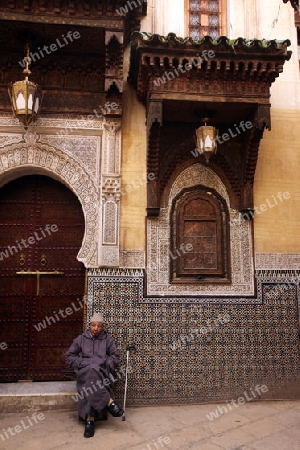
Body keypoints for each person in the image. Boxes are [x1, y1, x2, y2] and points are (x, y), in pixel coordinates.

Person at [65, 312, 124, 438]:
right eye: (93, 325)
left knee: (93, 375)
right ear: (89, 325)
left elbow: (115, 356)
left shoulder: (107, 339)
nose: (96, 328)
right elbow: (69, 357)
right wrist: (83, 363)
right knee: (91, 373)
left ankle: (90, 420)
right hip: (85, 372)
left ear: (102, 327)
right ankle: (109, 403)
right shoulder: (81, 339)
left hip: (102, 372)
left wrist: (107, 363)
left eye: (99, 326)